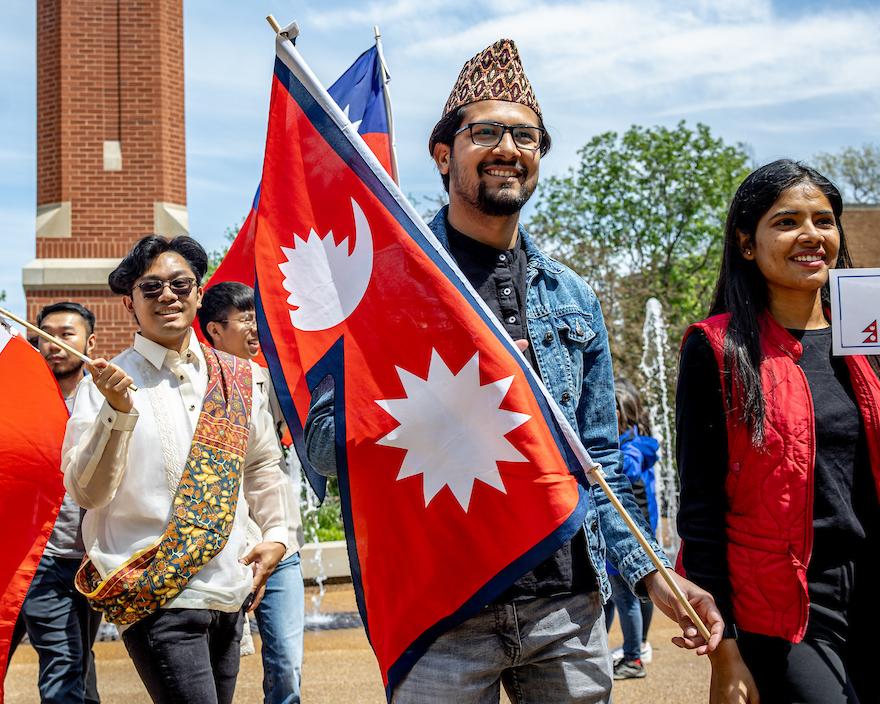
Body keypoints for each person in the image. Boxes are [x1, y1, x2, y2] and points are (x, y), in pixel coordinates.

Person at [304, 38, 722, 703]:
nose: (508, 148)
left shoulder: (573, 298)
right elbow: (323, 449)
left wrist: (651, 575)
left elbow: (602, 466)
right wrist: (435, 385)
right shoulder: (383, 288)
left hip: (566, 606)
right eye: (487, 132)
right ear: (444, 154)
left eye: (526, 137)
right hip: (441, 607)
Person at [677, 160, 880, 704]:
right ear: (747, 243)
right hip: (783, 604)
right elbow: (699, 507)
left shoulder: (868, 339)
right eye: (787, 221)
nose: (811, 235)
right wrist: (726, 650)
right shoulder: (716, 348)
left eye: (825, 220)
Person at [62, 235, 293, 704]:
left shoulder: (239, 376)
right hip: (156, 589)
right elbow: (87, 492)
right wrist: (118, 412)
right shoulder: (103, 386)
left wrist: (277, 534)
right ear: (130, 303)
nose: (167, 296)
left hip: (230, 587)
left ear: (199, 292)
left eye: (179, 284)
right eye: (151, 288)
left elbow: (263, 464)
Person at [0, 301, 105, 704]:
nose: (54, 344)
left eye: (67, 334)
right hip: (19, 557)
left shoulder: (105, 404)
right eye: (43, 336)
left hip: (86, 559)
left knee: (75, 663)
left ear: (90, 341)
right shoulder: (12, 400)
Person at [199, 282, 305, 704]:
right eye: (245, 318)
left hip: (281, 542)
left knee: (286, 665)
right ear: (214, 330)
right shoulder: (198, 389)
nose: (255, 326)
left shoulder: (272, 380)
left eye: (257, 317)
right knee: (217, 667)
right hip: (226, 547)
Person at [604, 382, 660, 680]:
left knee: (625, 599)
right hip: (626, 535)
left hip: (629, 537)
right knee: (612, 598)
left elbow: (630, 468)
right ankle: (622, 652)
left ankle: (634, 657)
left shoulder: (632, 447)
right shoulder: (637, 442)